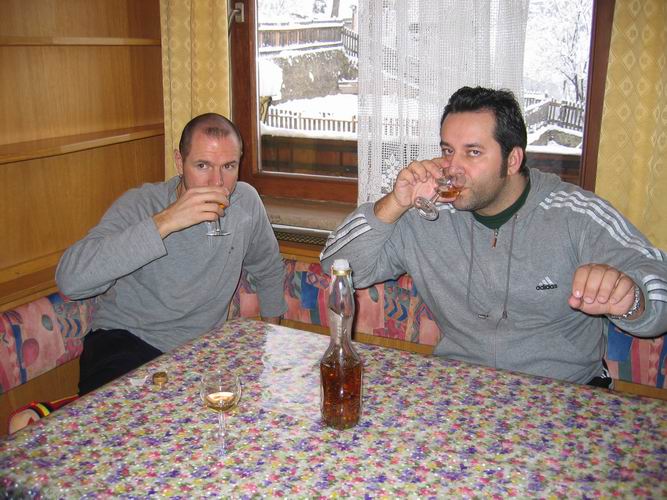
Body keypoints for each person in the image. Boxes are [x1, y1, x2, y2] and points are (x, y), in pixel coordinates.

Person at [321, 86, 667, 386]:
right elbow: (339, 267)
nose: (452, 167)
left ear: (512, 160)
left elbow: (658, 282)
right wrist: (394, 203)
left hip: (564, 393)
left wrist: (632, 301)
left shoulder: (576, 215)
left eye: (473, 152)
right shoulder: (427, 215)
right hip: (460, 389)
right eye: (447, 150)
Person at [57, 113, 286, 394]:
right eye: (202, 165)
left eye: (228, 166)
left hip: (199, 353)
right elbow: (71, 281)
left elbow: (268, 269)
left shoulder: (245, 203)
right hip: (127, 342)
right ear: (179, 162)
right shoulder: (142, 204)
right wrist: (166, 221)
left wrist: (269, 345)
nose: (217, 182)